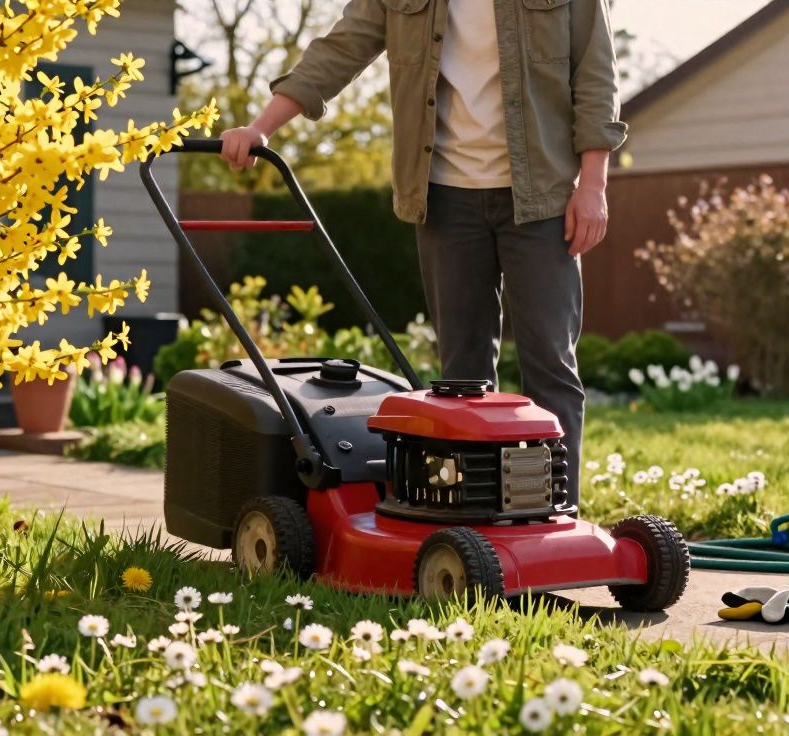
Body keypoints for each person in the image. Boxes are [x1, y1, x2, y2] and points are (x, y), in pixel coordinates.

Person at [219, 0, 626, 506]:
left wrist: (593, 185)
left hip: (543, 196)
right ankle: (474, 514)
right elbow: (341, 48)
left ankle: (555, 514)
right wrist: (262, 126)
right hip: (444, 199)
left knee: (551, 369)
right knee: (462, 376)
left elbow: (596, 71)